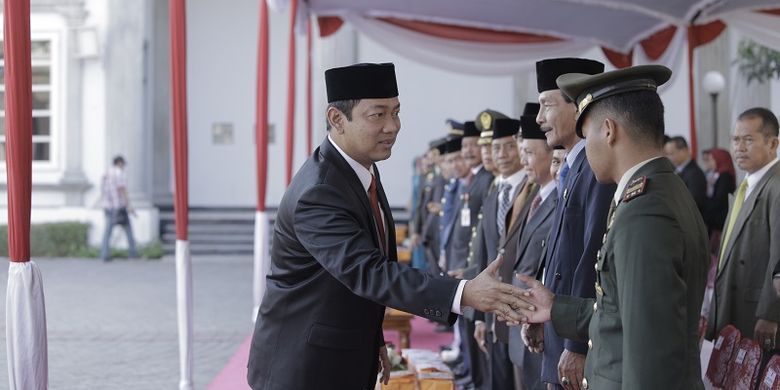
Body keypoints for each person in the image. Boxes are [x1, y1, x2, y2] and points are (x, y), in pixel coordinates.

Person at [247, 63, 532, 390]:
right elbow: (367, 270)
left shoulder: (360, 169)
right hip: (304, 365)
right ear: (337, 119)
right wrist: (463, 292)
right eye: (377, 115)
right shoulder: (320, 191)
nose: (392, 126)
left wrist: (373, 340)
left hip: (342, 350)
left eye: (396, 113)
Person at [516, 64, 709, 389]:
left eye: (586, 132)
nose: (583, 145)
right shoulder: (658, 190)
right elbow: (621, 313)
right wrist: (556, 308)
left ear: (608, 130)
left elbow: (650, 351)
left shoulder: (646, 212)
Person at [532, 57, 614, 390]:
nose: (539, 119)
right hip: (559, 326)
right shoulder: (573, 167)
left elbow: (590, 256)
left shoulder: (596, 170)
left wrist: (577, 343)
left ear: (579, 107)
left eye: (546, 105)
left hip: (575, 335)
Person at [708, 107, 780, 353]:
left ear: (773, 143)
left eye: (749, 140)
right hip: (735, 300)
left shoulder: (777, 185)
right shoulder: (748, 182)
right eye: (736, 140)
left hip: (759, 313)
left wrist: (772, 312)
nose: (739, 147)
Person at [472, 115, 534, 390]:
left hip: (522, 305)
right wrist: (481, 316)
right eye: (496, 148)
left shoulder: (530, 190)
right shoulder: (495, 190)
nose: (503, 155)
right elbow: (486, 257)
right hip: (494, 307)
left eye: (510, 146)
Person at [444, 120, 496, 386]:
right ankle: (471, 373)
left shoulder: (486, 179)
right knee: (467, 324)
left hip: (473, 266)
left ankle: (476, 377)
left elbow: (482, 232)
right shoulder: (471, 179)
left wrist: (468, 268)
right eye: (464, 145)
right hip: (464, 263)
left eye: (473, 145)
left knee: (478, 328)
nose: (468, 151)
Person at [510, 103, 557, 390]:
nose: (523, 161)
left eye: (529, 153)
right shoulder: (532, 195)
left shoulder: (558, 200)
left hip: (542, 319)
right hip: (522, 317)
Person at [100, 155, 138, 261]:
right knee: (128, 229)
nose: (124, 166)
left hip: (107, 205)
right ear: (120, 163)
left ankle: (104, 254)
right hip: (118, 207)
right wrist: (129, 205)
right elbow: (122, 190)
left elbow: (103, 188)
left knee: (107, 231)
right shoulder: (120, 173)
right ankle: (133, 252)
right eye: (123, 164)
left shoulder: (107, 173)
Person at [700, 148, 736, 249]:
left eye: (712, 159)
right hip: (714, 220)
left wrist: (703, 202)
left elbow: (719, 200)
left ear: (720, 159)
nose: (710, 163)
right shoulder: (717, 174)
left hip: (719, 222)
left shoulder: (725, 176)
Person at [664, 136, 707, 216]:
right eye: (667, 154)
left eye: (671, 153)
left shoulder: (695, 174)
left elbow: (693, 203)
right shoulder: (675, 170)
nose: (668, 158)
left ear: (684, 151)